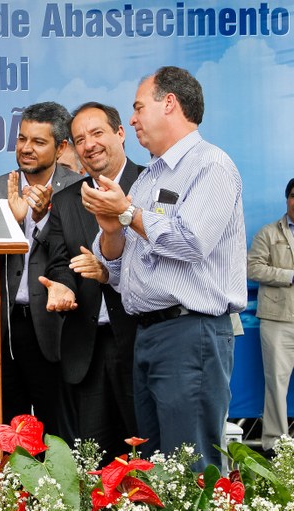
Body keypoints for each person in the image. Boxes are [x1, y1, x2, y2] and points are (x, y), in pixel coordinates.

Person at [84, 66, 246, 469]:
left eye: (139, 108)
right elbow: (120, 272)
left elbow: (191, 241)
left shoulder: (211, 165)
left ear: (169, 103)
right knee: (159, 467)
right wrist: (111, 231)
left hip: (191, 333)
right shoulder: (147, 179)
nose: (133, 119)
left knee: (192, 464)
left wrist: (127, 213)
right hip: (148, 334)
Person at [41, 102, 142, 461]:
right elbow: (60, 261)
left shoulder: (150, 184)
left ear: (119, 133)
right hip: (86, 344)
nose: (89, 145)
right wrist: (62, 285)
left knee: (145, 454)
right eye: (80, 139)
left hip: (140, 339)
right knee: (92, 459)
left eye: (97, 133)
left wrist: (108, 272)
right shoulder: (67, 199)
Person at [0, 102, 82, 432]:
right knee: (7, 431)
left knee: (59, 432)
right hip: (3, 327)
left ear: (61, 147)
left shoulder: (79, 190)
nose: (26, 148)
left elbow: (78, 254)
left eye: (38, 142)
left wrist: (41, 219)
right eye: (22, 139)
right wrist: (11, 224)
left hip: (58, 326)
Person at [248, 178, 294, 455]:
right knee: (276, 383)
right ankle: (274, 446)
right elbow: (253, 268)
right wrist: (289, 276)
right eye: (293, 195)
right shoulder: (268, 233)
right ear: (286, 199)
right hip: (278, 320)